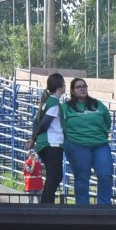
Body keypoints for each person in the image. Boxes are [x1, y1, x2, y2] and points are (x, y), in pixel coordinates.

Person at [60, 77, 114, 205]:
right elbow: (60, 125)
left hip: (100, 144)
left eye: (84, 86)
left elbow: (107, 121)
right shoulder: (66, 107)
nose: (82, 88)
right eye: (78, 87)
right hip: (77, 145)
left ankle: (105, 208)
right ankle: (83, 209)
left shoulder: (97, 104)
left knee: (106, 175)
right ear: (72, 91)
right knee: (82, 178)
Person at [28, 72, 66, 205]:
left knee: (56, 174)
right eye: (64, 83)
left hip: (46, 144)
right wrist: (36, 136)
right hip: (52, 143)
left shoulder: (47, 102)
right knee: (54, 175)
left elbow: (36, 122)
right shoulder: (54, 103)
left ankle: (46, 202)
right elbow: (44, 123)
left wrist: (34, 139)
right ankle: (46, 204)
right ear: (60, 86)